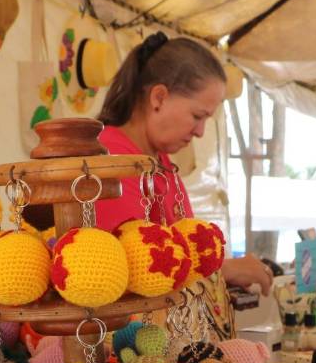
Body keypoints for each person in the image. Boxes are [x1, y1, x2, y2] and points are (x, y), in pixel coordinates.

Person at [95, 32, 273, 301]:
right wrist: (224, 270)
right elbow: (134, 266)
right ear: (159, 97)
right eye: (197, 116)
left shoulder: (162, 163)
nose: (200, 132)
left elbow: (186, 249)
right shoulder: (109, 160)